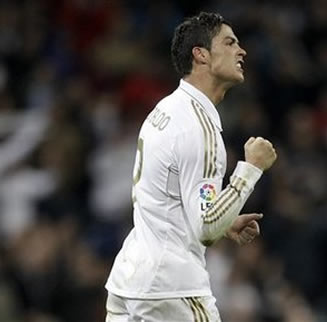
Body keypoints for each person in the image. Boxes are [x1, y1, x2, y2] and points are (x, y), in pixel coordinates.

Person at [105, 12, 277, 321]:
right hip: (171, 288)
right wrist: (251, 168)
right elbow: (207, 226)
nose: (242, 50)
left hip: (129, 281)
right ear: (201, 55)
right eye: (229, 42)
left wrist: (227, 221)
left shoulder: (167, 109)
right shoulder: (200, 128)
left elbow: (167, 198)